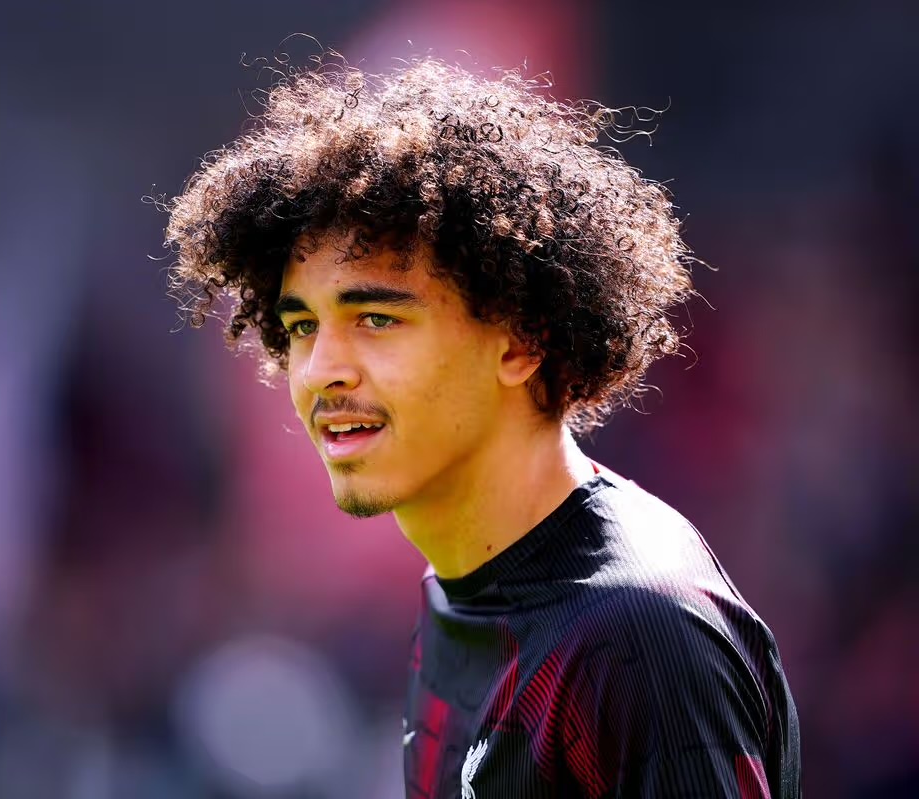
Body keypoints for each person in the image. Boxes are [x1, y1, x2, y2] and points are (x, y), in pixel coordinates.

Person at [161, 56, 800, 798]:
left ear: (521, 342)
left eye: (377, 319)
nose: (321, 370)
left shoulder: (638, 638)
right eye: (302, 326)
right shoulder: (458, 588)